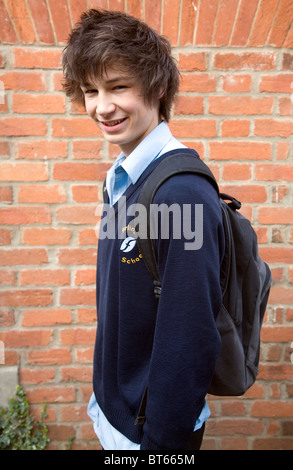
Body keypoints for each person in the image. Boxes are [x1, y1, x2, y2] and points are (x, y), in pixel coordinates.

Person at [62, 9, 224, 450]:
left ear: (156, 87)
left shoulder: (180, 193)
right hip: (115, 412)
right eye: (91, 90)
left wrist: (160, 445)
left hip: (149, 434)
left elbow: (190, 336)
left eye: (118, 87)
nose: (102, 106)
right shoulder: (122, 178)